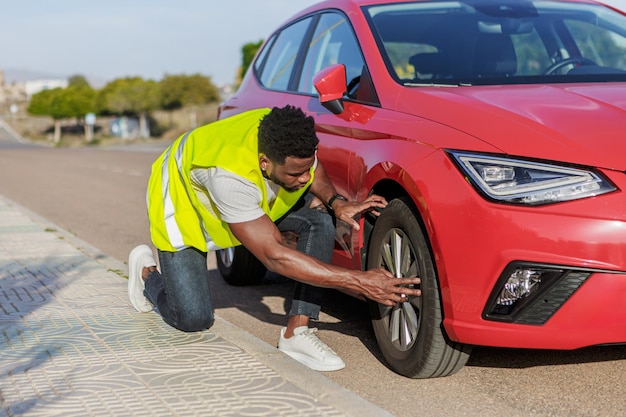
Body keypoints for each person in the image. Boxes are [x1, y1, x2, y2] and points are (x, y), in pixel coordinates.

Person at [128, 105, 421, 372]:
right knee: (193, 319)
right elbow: (273, 256)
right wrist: (360, 281)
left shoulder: (287, 134)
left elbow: (313, 168)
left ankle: (296, 333)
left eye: (307, 168)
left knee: (319, 221)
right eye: (295, 173)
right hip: (183, 206)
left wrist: (335, 201)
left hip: (245, 200)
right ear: (265, 162)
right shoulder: (229, 178)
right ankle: (147, 275)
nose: (305, 179)